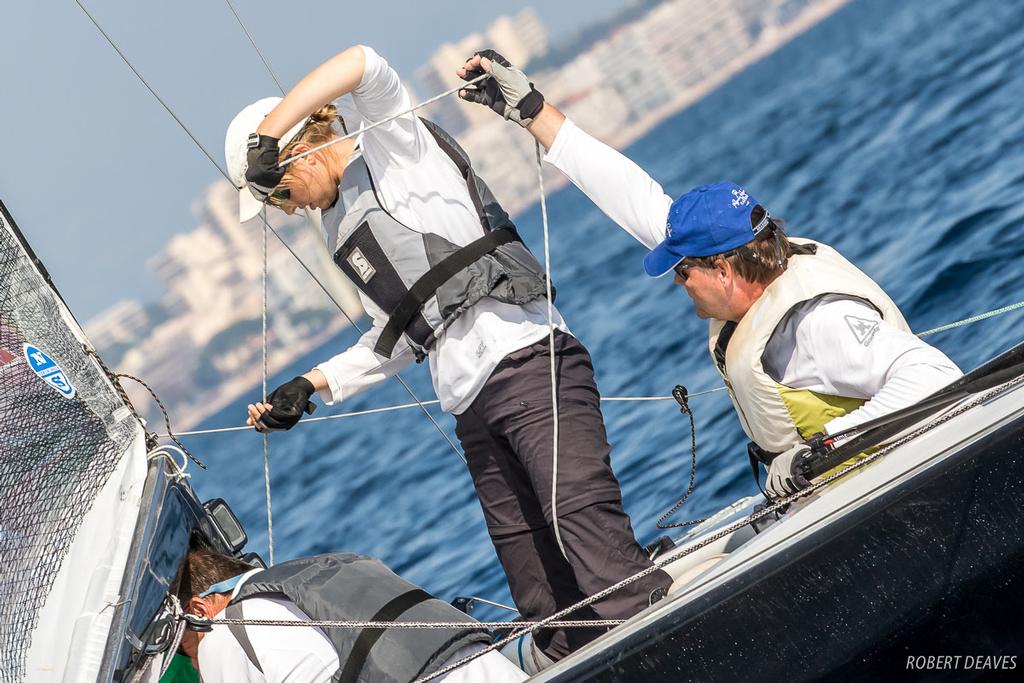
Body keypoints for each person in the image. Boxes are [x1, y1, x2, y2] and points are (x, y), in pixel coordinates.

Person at [223, 45, 671, 663]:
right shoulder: (337, 228)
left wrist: (265, 136)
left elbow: (363, 62)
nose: (285, 207)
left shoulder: (394, 151)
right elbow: (400, 332)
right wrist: (312, 383)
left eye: (277, 192)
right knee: (541, 594)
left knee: (587, 536)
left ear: (299, 147)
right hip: (472, 408)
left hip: (528, 365)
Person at [457, 51, 963, 499]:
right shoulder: (740, 257)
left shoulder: (812, 323)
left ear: (721, 269)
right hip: (833, 494)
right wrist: (533, 113)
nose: (678, 283)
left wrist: (816, 452)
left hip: (899, 488)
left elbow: (934, 376)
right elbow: (630, 193)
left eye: (682, 273)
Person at [175, 548, 526, 682]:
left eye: (184, 648)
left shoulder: (219, 636)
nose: (193, 664)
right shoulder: (314, 569)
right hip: (491, 667)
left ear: (199, 609)